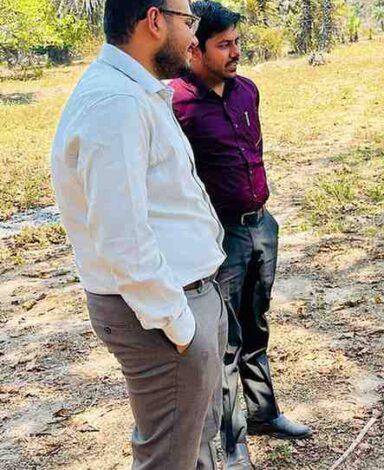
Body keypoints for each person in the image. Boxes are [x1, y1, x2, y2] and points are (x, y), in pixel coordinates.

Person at [50, 1, 227, 468]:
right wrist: (181, 327)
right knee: (169, 456)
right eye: (188, 23)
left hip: (183, 300)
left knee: (194, 441)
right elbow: (122, 238)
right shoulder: (116, 104)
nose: (194, 37)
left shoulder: (135, 91)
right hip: (161, 313)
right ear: (154, 21)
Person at [171, 2, 312, 468]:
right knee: (225, 341)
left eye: (237, 42)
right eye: (224, 45)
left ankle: (264, 414)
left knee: (256, 325)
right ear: (196, 48)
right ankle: (232, 447)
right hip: (220, 237)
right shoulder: (175, 103)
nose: (235, 53)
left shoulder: (247, 91)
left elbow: (253, 153)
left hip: (261, 225)